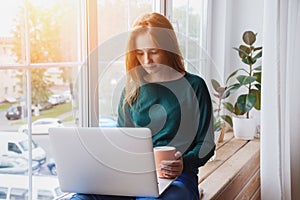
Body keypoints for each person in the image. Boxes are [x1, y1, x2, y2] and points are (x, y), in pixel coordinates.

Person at [71, 12, 215, 200]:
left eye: (154, 51)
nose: (146, 61)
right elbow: (123, 142)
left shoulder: (195, 86)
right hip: (133, 177)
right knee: (81, 198)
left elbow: (207, 144)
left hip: (178, 178)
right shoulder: (132, 91)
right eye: (140, 53)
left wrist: (184, 163)